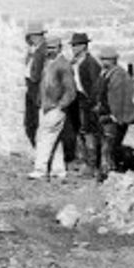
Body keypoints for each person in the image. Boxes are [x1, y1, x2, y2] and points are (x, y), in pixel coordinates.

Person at [31, 37, 76, 180]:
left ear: (60, 48)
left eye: (53, 48)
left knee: (44, 137)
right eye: (48, 48)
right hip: (46, 106)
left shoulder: (63, 65)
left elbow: (70, 90)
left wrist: (61, 105)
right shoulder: (47, 63)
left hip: (55, 107)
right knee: (54, 139)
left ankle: (40, 170)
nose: (50, 51)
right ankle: (58, 170)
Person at [94, 45, 134, 174]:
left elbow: (119, 99)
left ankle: (110, 173)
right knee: (108, 146)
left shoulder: (119, 75)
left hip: (114, 116)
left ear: (114, 60)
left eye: (108, 59)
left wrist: (115, 116)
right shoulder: (105, 74)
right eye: (103, 59)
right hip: (105, 115)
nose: (104, 62)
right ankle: (110, 171)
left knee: (109, 147)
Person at [66, 32, 102, 175]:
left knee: (88, 132)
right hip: (77, 99)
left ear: (84, 46)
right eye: (73, 45)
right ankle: (81, 160)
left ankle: (91, 164)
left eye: (76, 45)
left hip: (87, 100)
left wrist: (94, 103)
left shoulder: (90, 63)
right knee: (79, 130)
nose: (74, 48)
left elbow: (95, 85)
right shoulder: (76, 61)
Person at [22, 25, 50, 147]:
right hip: (31, 87)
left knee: (34, 121)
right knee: (30, 121)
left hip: (36, 87)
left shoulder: (42, 50)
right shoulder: (35, 50)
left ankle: (38, 148)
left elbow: (37, 74)